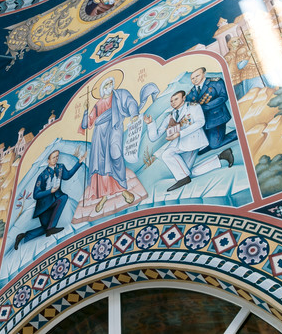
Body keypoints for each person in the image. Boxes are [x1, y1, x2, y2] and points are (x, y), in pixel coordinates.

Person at [145, 90, 234, 192]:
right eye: (171, 101)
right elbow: (154, 137)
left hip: (192, 142)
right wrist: (150, 123)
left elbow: (200, 122)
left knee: (167, 155)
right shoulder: (171, 115)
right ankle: (221, 156)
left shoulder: (193, 107)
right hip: (179, 144)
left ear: (183, 98)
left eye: (176, 99)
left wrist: (181, 133)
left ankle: (183, 179)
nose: (173, 102)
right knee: (187, 172)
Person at [78, 71, 140, 213]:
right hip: (99, 135)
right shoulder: (98, 104)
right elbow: (87, 124)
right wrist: (86, 111)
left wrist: (134, 114)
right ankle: (104, 196)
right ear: (102, 88)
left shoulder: (119, 95)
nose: (109, 86)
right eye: (107, 84)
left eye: (111, 83)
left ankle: (122, 188)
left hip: (114, 130)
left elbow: (130, 102)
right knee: (101, 164)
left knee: (115, 155)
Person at [14, 150, 84, 250]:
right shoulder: (42, 175)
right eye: (53, 157)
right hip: (44, 206)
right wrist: (50, 191)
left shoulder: (60, 168)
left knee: (63, 198)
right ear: (48, 160)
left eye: (57, 157)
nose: (56, 159)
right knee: (45, 228)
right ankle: (24, 236)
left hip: (56, 200)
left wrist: (79, 163)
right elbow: (36, 195)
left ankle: (45, 230)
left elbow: (67, 175)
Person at [186, 67, 237, 154]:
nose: (195, 79)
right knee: (203, 143)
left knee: (215, 145)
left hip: (217, 118)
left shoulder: (216, 82)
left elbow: (223, 97)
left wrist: (206, 107)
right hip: (204, 122)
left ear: (204, 74)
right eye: (192, 78)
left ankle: (238, 133)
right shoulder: (191, 92)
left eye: (197, 76)